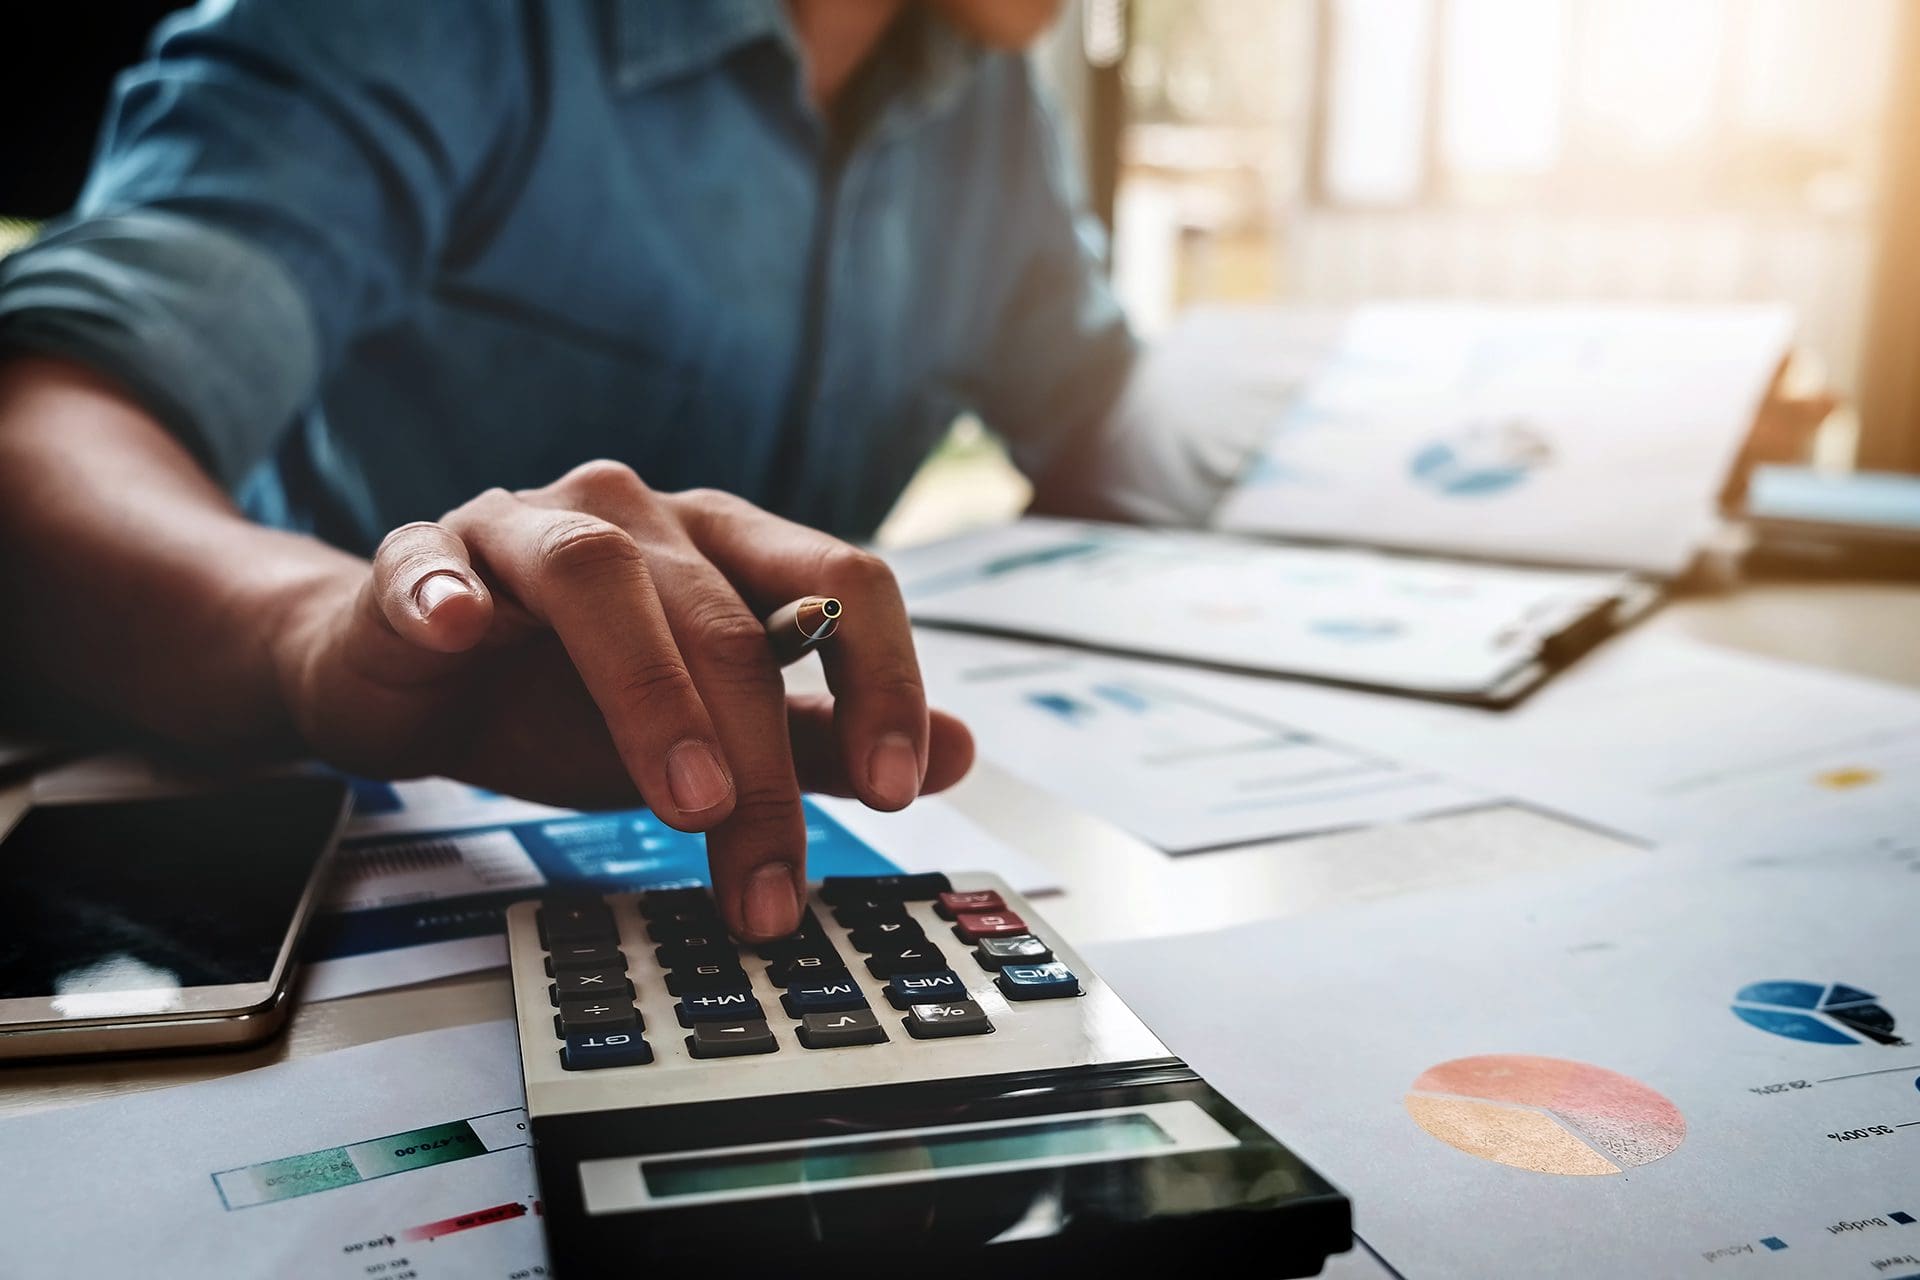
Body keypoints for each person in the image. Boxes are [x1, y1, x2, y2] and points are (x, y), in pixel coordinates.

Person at [0, 0, 1197, 941]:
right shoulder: (435, 26)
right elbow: (42, 416)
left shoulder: (985, 106)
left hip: (730, 857)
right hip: (305, 842)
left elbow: (1097, 421)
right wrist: (312, 632)